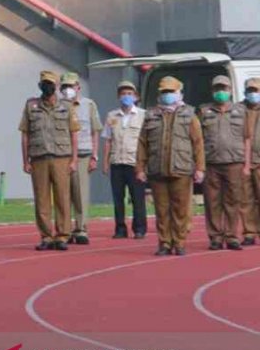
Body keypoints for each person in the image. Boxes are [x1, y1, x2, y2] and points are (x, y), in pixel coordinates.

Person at [136, 76, 205, 256]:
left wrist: (200, 168)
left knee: (181, 209)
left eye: (170, 91)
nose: (167, 95)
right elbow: (142, 144)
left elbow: (198, 143)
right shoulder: (151, 115)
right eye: (164, 92)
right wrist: (140, 168)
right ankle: (164, 243)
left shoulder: (189, 114)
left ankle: (180, 242)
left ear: (179, 92)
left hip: (181, 168)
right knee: (161, 209)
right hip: (157, 168)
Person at [19, 70, 79, 251]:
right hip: (38, 158)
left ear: (57, 87)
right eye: (44, 83)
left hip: (61, 157)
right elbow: (25, 135)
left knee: (62, 197)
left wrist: (74, 159)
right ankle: (46, 236)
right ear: (40, 86)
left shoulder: (67, 106)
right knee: (42, 198)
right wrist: (25, 161)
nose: (47, 87)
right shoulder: (31, 106)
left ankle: (62, 235)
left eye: (50, 84)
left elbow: (74, 134)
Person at [198, 75, 247, 251]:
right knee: (212, 202)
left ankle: (233, 236)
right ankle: (215, 238)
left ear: (230, 90)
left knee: (233, 201)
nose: (221, 92)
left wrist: (247, 163)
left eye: (224, 89)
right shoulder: (204, 111)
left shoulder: (241, 111)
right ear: (212, 91)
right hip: (211, 162)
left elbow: (247, 137)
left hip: (234, 162)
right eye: (218, 89)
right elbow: (198, 139)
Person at [60, 72, 102, 245]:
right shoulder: (57, 106)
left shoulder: (88, 105)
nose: (67, 90)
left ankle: (81, 228)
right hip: (63, 154)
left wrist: (94, 156)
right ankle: (65, 228)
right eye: (64, 86)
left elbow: (95, 130)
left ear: (78, 87)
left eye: (70, 86)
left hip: (84, 153)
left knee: (80, 192)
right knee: (64, 193)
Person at [101, 81, 147, 239]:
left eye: (129, 93)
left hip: (134, 163)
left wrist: (144, 164)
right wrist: (105, 162)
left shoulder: (143, 115)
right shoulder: (112, 116)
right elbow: (107, 139)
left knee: (137, 198)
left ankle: (139, 228)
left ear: (135, 97)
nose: (126, 96)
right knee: (118, 198)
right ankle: (120, 228)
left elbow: (146, 141)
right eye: (123, 94)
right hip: (117, 162)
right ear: (118, 97)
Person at [241, 77, 260, 246]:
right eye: (250, 90)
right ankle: (249, 232)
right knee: (246, 199)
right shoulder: (239, 109)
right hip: (244, 160)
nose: (253, 94)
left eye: (256, 90)